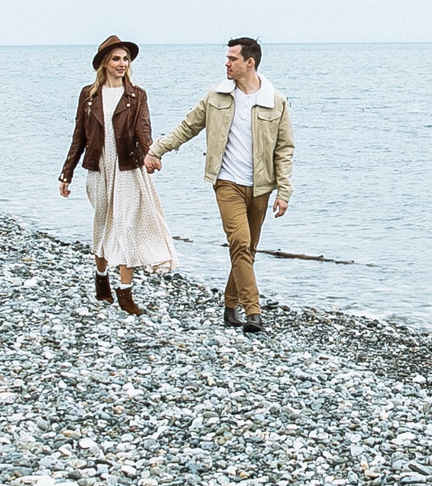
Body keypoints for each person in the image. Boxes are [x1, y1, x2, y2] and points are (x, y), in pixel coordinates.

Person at [147, 36, 293, 333]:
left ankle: (229, 307)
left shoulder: (275, 100)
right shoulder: (216, 96)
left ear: (249, 62)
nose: (226, 64)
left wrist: (284, 191)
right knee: (239, 242)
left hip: (262, 187)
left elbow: (284, 148)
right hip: (227, 183)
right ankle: (253, 312)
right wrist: (156, 150)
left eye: (232, 59)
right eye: (227, 58)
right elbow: (188, 127)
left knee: (247, 248)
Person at [58, 35, 175, 315]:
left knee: (125, 227)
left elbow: (143, 130)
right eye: (116, 59)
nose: (122, 64)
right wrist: (67, 173)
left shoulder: (137, 95)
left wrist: (151, 154)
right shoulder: (89, 95)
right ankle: (101, 278)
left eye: (125, 59)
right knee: (102, 225)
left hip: (127, 168)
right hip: (99, 169)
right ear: (105, 64)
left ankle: (126, 293)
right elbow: (79, 137)